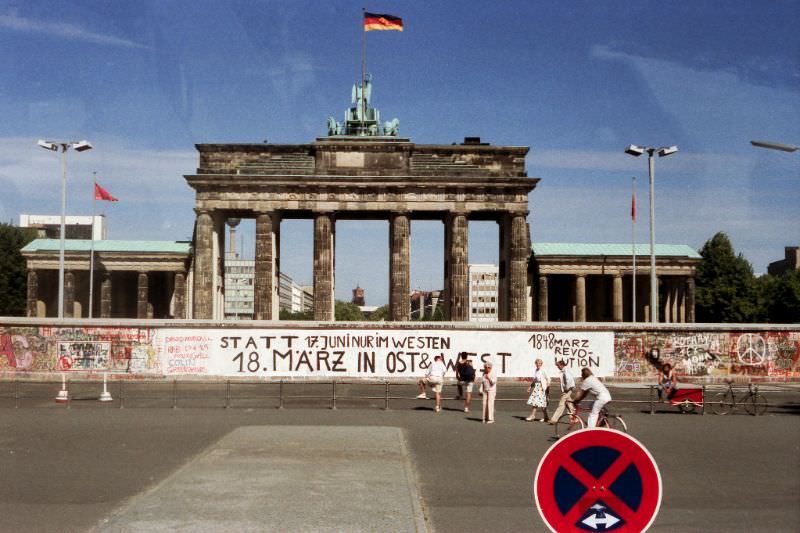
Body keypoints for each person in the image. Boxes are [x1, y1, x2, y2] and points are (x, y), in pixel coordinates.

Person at [547, 360, 576, 425]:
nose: (557, 367)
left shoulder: (566, 371)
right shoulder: (564, 371)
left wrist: (566, 389)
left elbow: (569, 380)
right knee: (569, 404)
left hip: (568, 390)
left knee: (561, 404)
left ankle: (554, 419)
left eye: (558, 365)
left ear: (561, 365)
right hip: (568, 389)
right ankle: (574, 418)